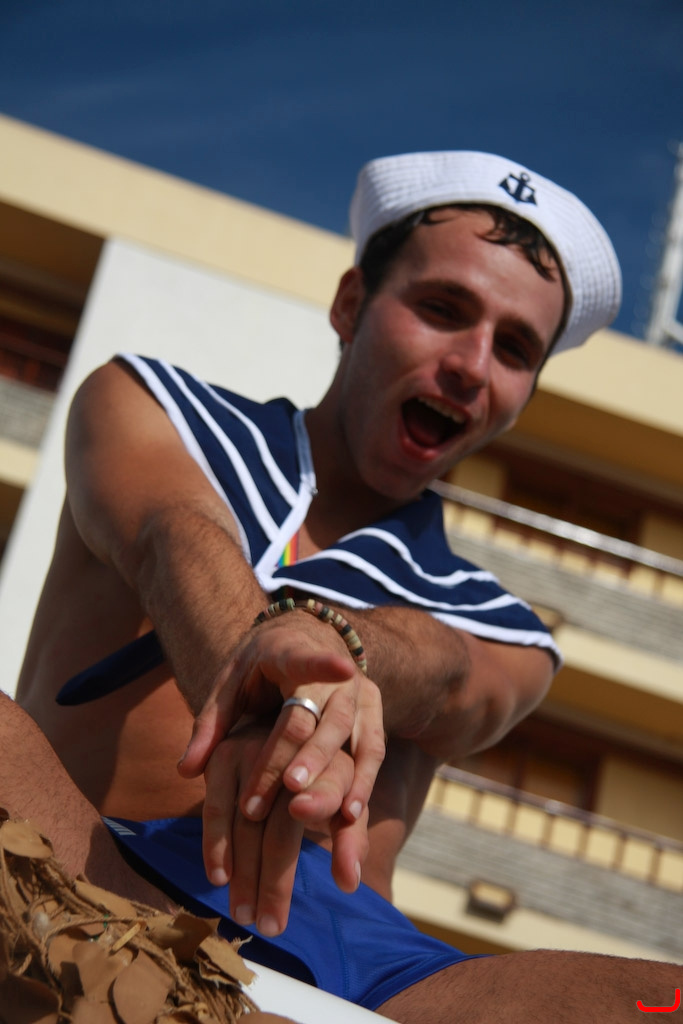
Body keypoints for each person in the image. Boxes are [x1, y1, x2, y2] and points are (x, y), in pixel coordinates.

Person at [11, 150, 681, 1020]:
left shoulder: (505, 627)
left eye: (515, 348)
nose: (472, 365)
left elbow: (445, 675)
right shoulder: (152, 405)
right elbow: (171, 536)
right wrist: (260, 678)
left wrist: (329, 644)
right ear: (351, 303)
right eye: (443, 309)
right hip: (90, 866)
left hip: (354, 979)